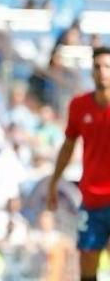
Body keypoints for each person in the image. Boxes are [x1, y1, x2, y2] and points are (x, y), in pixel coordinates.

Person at [46, 46, 110, 281]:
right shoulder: (79, 105)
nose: (103, 72)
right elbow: (68, 146)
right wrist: (54, 182)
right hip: (92, 200)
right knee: (87, 269)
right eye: (98, 67)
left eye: (107, 67)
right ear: (91, 72)